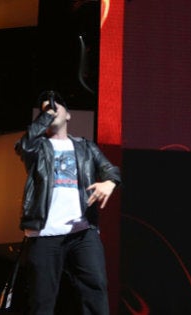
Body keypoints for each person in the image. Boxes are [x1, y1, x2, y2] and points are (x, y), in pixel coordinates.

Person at [14, 90, 121, 315]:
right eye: (45, 109)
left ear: (69, 115)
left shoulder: (85, 146)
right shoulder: (37, 148)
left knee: (96, 289)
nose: (51, 110)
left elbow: (110, 170)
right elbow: (23, 145)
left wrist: (109, 183)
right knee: (41, 302)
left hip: (82, 231)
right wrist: (46, 115)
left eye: (55, 107)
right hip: (44, 234)